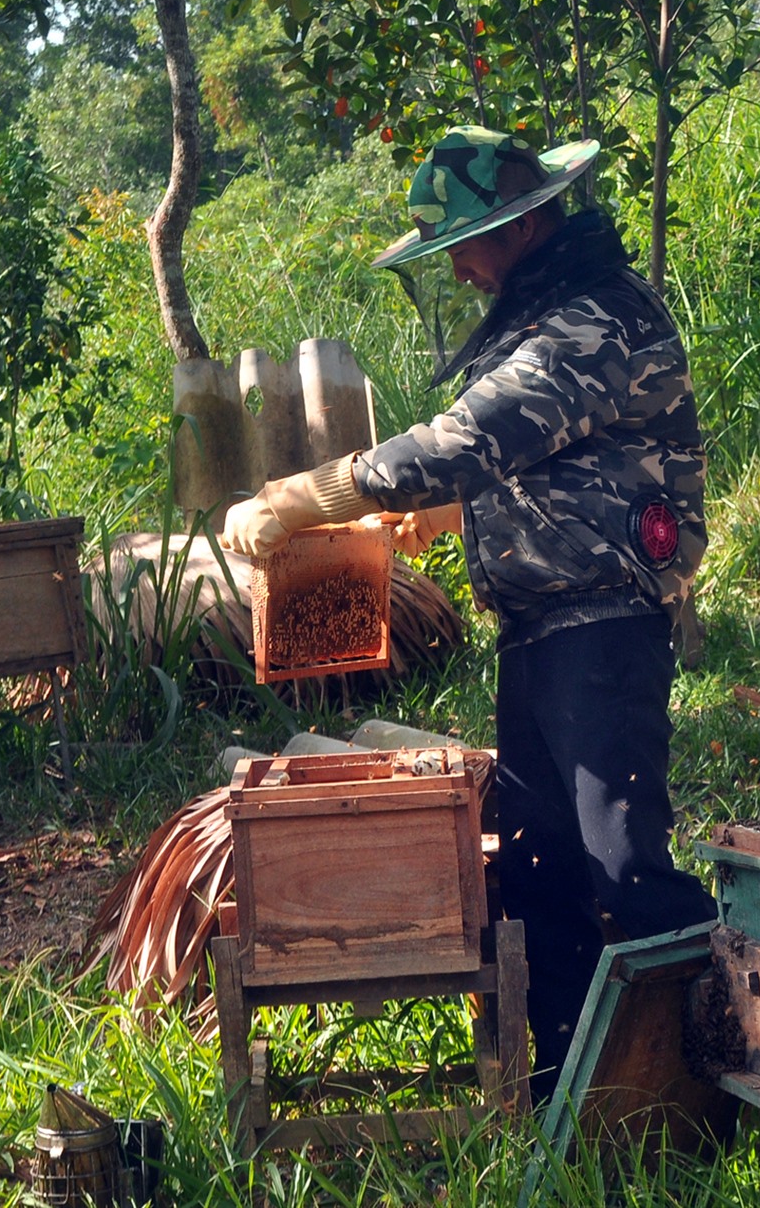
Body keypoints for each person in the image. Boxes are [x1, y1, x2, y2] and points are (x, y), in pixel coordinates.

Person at [220, 127, 717, 1101]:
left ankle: (706, 1092)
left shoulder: (594, 319)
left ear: (526, 223)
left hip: (605, 628)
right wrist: (452, 512)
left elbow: (475, 433)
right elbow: (539, 453)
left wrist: (316, 491)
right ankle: (577, 1101)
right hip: (541, 631)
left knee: (624, 870)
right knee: (540, 876)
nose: (455, 262)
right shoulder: (549, 319)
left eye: (467, 237)